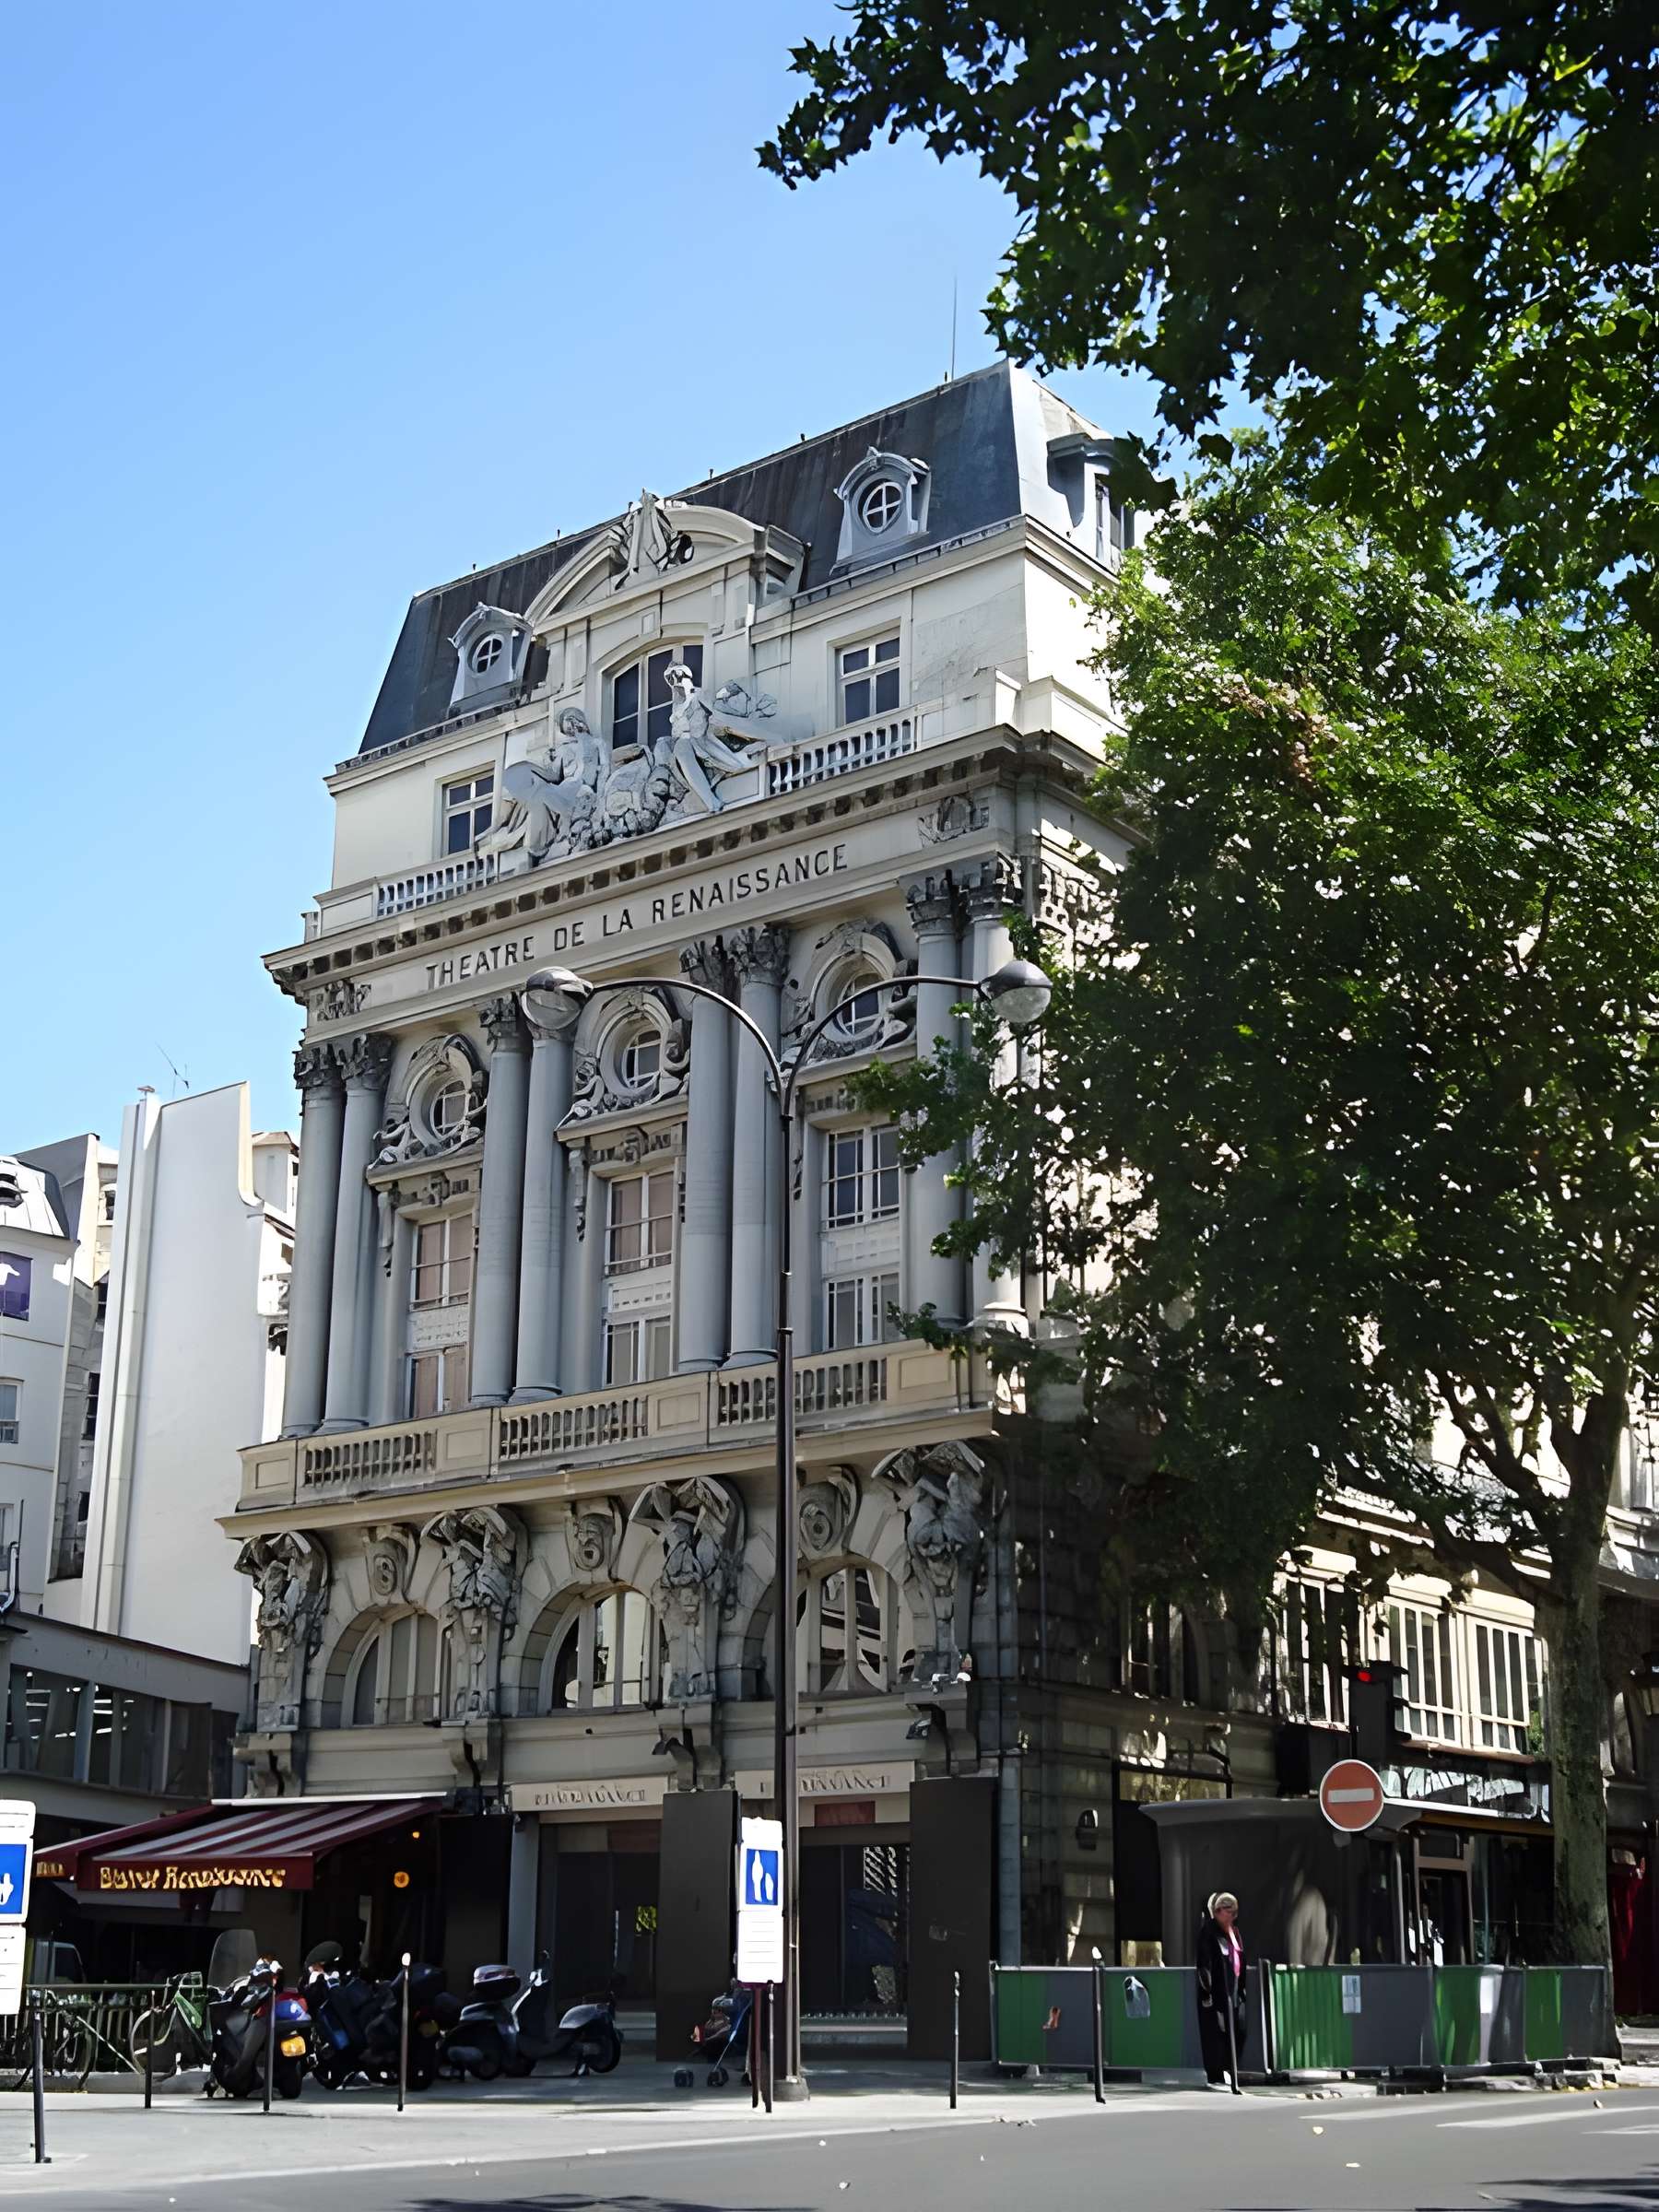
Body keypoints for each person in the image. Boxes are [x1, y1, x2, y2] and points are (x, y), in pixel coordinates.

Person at [1194, 1890, 1248, 2089]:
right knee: (1217, 2032)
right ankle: (1217, 2073)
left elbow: (1241, 1959)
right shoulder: (1208, 1932)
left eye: (1234, 1913)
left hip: (1234, 1991)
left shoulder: (1234, 1933)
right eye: (1229, 1912)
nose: (1232, 1916)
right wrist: (1206, 1992)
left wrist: (1242, 1987)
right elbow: (1204, 1964)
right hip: (1216, 1992)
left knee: (1238, 2030)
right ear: (1218, 1912)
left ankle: (1230, 2068)